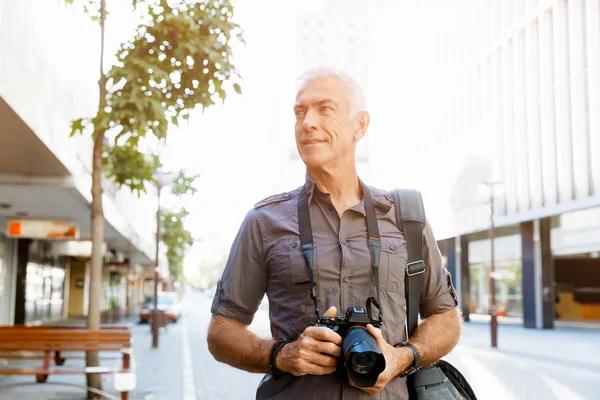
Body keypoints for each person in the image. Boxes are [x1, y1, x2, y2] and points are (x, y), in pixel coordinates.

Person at [207, 67, 462, 399]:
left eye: (325, 109)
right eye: (299, 112)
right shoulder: (264, 221)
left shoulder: (407, 218)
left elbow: (446, 319)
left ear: (360, 124)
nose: (307, 122)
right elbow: (221, 332)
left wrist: (402, 357)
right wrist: (281, 355)